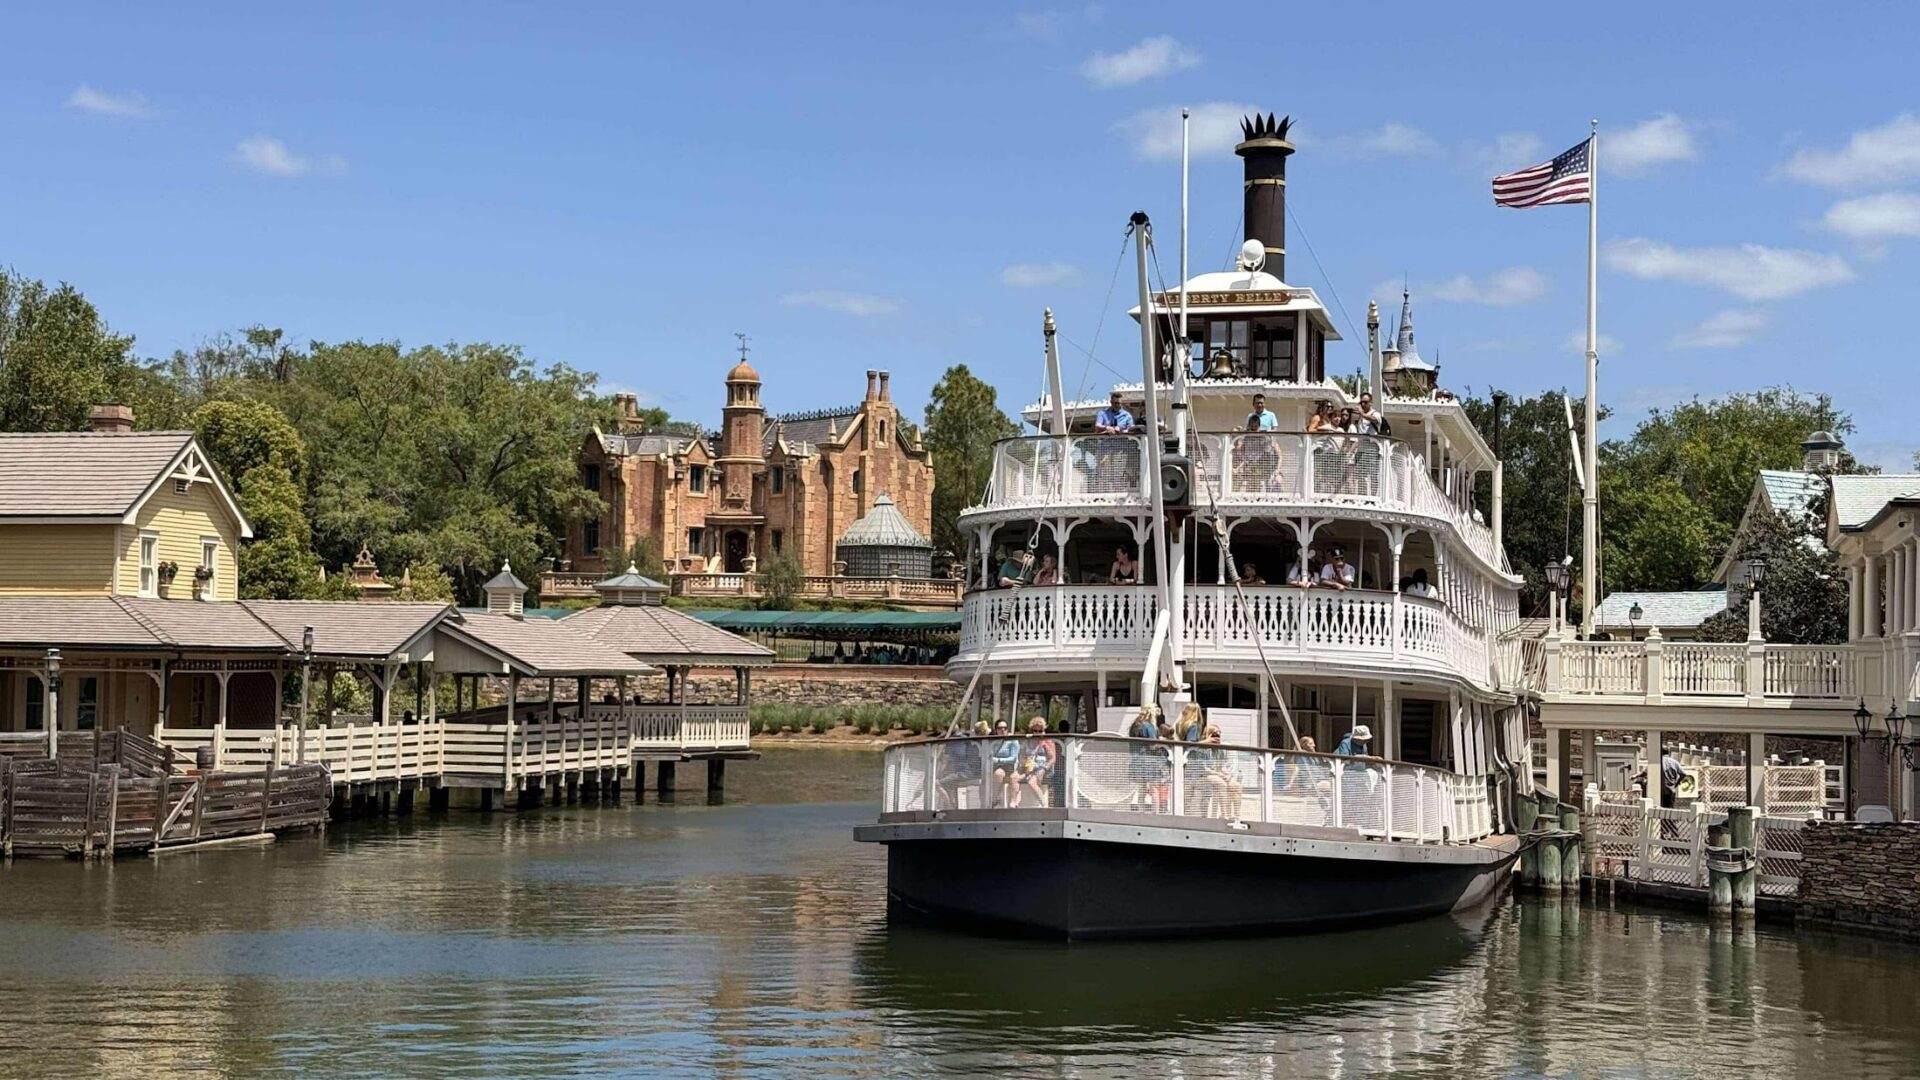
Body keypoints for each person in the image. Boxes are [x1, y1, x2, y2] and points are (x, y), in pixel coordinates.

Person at [1015, 717, 1058, 808]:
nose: (1037, 733)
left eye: (1040, 731)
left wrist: (1044, 768)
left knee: (1032, 782)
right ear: (1031, 730)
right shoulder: (1027, 741)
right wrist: (1025, 764)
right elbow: (1022, 755)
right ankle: (1015, 803)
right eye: (1035, 731)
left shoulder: (1047, 741)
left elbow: (1052, 758)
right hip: (1029, 768)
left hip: (1043, 768)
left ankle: (1044, 805)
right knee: (1014, 778)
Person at [989, 720, 1021, 807]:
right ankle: (995, 799)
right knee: (997, 773)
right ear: (996, 730)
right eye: (1000, 728)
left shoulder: (1012, 740)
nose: (1003, 730)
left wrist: (998, 760)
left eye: (1005, 728)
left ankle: (1013, 802)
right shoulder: (993, 741)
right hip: (996, 766)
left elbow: (1013, 758)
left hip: (1010, 766)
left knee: (1012, 777)